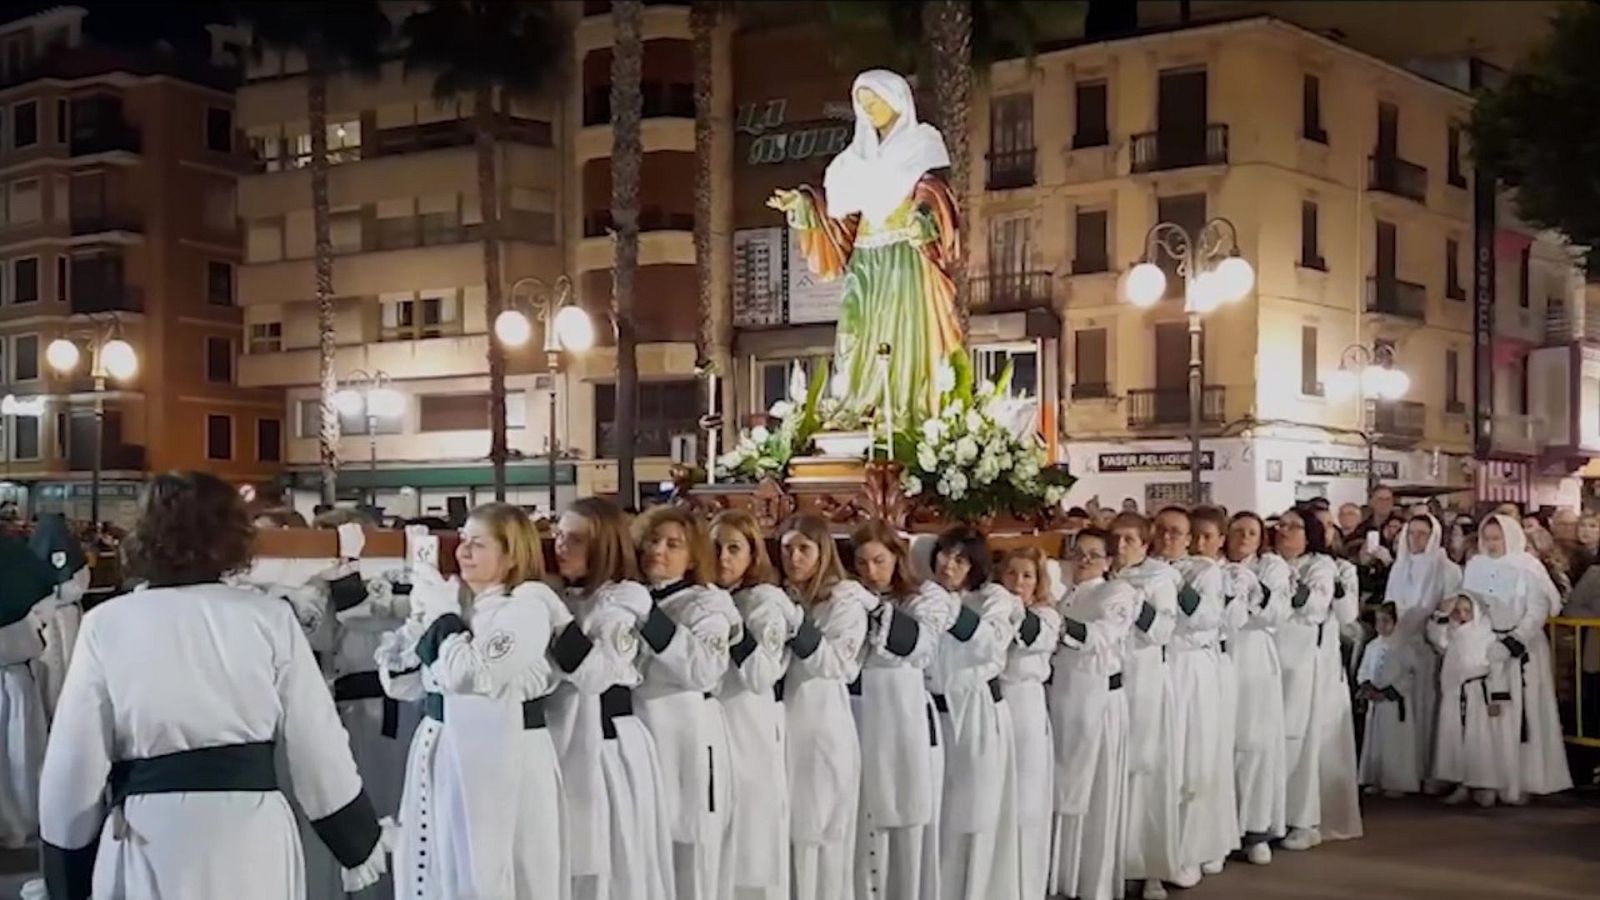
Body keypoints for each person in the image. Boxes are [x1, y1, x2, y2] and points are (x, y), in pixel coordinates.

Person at [39, 472, 389, 899]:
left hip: (152, 830)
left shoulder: (107, 624)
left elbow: (75, 761)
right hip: (249, 830)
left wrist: (67, 869)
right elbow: (318, 744)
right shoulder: (268, 617)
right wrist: (355, 840)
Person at [377, 502, 568, 899]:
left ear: (511, 554)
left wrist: (444, 621)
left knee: (498, 868)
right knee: (439, 864)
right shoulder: (459, 603)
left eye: (477, 544)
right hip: (443, 747)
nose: (463, 551)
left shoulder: (525, 609)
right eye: (463, 540)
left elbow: (470, 675)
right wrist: (427, 619)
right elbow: (405, 681)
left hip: (504, 753)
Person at [768, 69, 962, 426]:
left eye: (876, 100)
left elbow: (937, 191)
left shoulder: (923, 143)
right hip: (865, 260)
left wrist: (923, 216)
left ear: (897, 99)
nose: (870, 109)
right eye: (863, 103)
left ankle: (906, 413)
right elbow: (842, 222)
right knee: (856, 336)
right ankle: (862, 405)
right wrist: (804, 206)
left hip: (906, 257)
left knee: (905, 335)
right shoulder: (850, 162)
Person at [547, 497, 674, 900]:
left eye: (577, 539)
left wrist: (550, 614)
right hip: (561, 742)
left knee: (609, 860)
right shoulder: (564, 593)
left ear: (605, 546)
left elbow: (596, 675)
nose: (562, 547)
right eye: (559, 536)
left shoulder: (620, 601)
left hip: (605, 750)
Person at [631, 506, 742, 900]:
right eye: (653, 540)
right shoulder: (633, 594)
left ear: (693, 556)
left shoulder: (705, 605)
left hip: (686, 731)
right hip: (640, 730)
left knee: (689, 843)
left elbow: (705, 670)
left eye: (673, 544)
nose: (658, 550)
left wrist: (653, 623)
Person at [849, 520, 955, 900]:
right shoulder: (848, 595)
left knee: (907, 818)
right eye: (861, 564)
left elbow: (921, 647)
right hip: (860, 716)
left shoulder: (927, 597)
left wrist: (873, 609)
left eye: (878, 560)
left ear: (897, 556)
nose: (870, 572)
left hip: (904, 717)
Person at [926, 524, 1023, 900]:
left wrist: (950, 609)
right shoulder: (925, 596)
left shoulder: (994, 598)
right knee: (942, 812)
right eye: (944, 555)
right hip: (937, 715)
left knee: (975, 810)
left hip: (977, 712)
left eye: (961, 559)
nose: (948, 565)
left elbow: (992, 644)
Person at [779, 514, 872, 900]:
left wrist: (795, 626)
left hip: (823, 726)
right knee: (793, 827)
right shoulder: (784, 595)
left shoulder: (843, 601)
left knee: (821, 829)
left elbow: (838, 664)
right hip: (787, 723)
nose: (794, 558)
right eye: (787, 549)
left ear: (823, 552)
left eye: (804, 549)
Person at [711, 511, 798, 900]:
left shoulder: (765, 602)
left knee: (751, 831)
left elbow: (762, 672)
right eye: (715, 548)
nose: (723, 558)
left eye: (734, 549)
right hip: (712, 726)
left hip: (749, 724)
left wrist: (732, 624)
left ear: (752, 555)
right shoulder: (704, 596)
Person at [1460, 515, 1573, 803]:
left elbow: (1537, 609)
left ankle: (1521, 781)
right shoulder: (1476, 566)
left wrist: (1514, 641)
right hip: (1487, 647)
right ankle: (1489, 779)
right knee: (1489, 715)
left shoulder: (1527, 567)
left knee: (1523, 715)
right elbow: (1471, 604)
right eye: (1487, 538)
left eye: (1497, 538)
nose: (1492, 544)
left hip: (1522, 652)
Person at [1048, 528, 1135, 900]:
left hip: (1098, 699)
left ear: (1110, 561)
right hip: (1061, 700)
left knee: (1095, 793)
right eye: (1078, 553)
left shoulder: (1118, 593)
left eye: (1094, 555)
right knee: (1061, 787)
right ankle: (1059, 878)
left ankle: (1092, 885)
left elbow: (1101, 636)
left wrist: (1056, 626)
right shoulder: (1062, 593)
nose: (1084, 561)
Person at [1151, 507, 1236, 883]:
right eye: (1162, 530)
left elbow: (1203, 618)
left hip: (1191, 668)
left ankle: (1194, 847)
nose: (1169, 537)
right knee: (1162, 761)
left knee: (1194, 759)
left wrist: (1174, 581)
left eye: (1177, 532)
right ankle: (1159, 849)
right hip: (1157, 669)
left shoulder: (1204, 572)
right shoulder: (1146, 568)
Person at [1109, 512, 1181, 899]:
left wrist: (1134, 603)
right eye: (1115, 540)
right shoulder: (1103, 576)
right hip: (1110, 684)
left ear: (1145, 544)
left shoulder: (1158, 579)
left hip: (1146, 681)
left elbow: (1163, 630)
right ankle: (1115, 860)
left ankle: (1149, 865)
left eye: (1128, 541)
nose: (1120, 548)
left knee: (1146, 772)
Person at [1274, 507, 1343, 852]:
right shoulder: (1268, 562)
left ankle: (1303, 819)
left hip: (1302, 662)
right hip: (1271, 660)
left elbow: (1316, 606)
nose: (1285, 531)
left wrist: (1287, 585)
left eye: (1294, 526)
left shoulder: (1320, 566)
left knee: (1300, 740)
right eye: (1281, 525)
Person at [1223, 512, 1290, 865]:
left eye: (1252, 532)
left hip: (1254, 660)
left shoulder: (1271, 567)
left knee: (1255, 744)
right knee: (1221, 744)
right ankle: (1221, 829)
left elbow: (1276, 613)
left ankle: (1255, 828)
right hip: (1220, 660)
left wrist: (1248, 586)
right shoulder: (1213, 565)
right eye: (1237, 531)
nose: (1244, 538)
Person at [997, 546, 1060, 900]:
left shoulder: (1046, 616)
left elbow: (1031, 636)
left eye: (1026, 576)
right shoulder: (992, 608)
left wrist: (1008, 607)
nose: (1017, 582)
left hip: (1025, 705)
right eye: (1010, 574)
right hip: (994, 702)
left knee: (1026, 798)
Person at [1382, 513, 1461, 788]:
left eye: (1423, 534)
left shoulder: (1447, 569)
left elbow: (1447, 607)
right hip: (1398, 644)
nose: (1416, 539)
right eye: (1411, 533)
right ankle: (1396, 773)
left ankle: (1425, 772)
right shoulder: (1399, 566)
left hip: (1427, 645)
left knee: (1424, 709)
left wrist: (1424, 621)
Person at [1428, 594, 1510, 807]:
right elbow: (1437, 639)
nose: (1463, 616)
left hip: (1479, 695)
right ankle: (1462, 783)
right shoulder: (1452, 633)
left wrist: (1496, 698)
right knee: (1458, 740)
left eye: (1467, 610)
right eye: (1458, 611)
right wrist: (1441, 614)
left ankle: (1486, 785)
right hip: (1457, 694)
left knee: (1481, 740)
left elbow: (1496, 668)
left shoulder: (1486, 635)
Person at [1, 534, 54, 850]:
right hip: (16, 675)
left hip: (14, 673)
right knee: (20, 754)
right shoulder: (17, 556)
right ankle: (22, 821)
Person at [26, 513, 89, 718]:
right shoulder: (76, 557)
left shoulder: (32, 555)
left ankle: (48, 713)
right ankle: (70, 712)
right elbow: (80, 585)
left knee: (49, 671)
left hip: (44, 617)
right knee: (70, 664)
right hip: (69, 615)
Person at [1357, 603, 1422, 797]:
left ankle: (1396, 782)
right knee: (1376, 741)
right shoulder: (1372, 646)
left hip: (1394, 704)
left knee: (1395, 742)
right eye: (1378, 621)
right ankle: (1375, 778)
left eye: (1386, 621)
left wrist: (1390, 692)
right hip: (1376, 704)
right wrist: (1367, 687)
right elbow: (1364, 670)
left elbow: (1411, 674)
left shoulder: (1404, 647)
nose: (1381, 626)